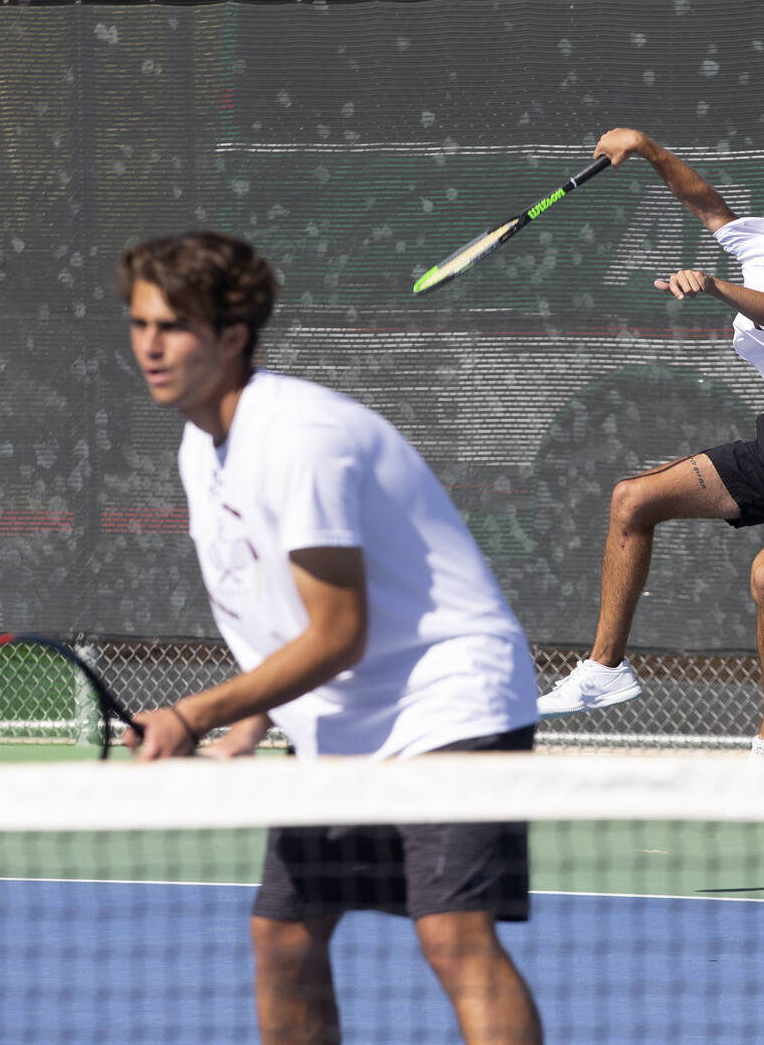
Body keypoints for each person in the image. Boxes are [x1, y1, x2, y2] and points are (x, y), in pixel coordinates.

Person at [116, 230, 542, 1044]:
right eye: (139, 324)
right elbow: (279, 619)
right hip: (342, 724)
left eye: (170, 327)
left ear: (232, 337)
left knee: (452, 935)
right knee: (283, 936)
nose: (148, 346)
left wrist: (193, 714)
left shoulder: (298, 440)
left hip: (446, 699)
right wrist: (246, 732)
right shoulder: (200, 446)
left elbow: (337, 633)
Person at [537, 127, 764, 755]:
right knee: (632, 500)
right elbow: (709, 205)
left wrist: (711, 285)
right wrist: (649, 150)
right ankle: (604, 670)